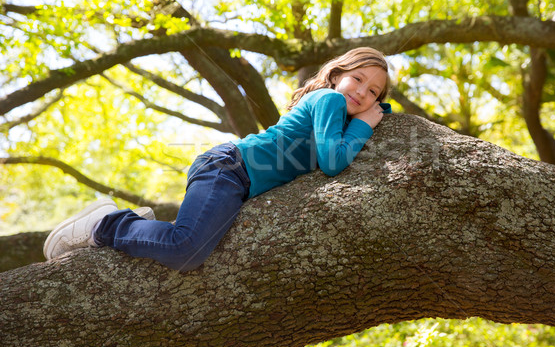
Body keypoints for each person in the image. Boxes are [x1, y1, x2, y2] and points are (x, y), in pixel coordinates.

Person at [43, 47, 392, 272]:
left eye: (373, 91)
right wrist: (363, 124)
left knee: (190, 249)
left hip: (236, 178)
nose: (362, 92)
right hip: (229, 168)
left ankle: (138, 223)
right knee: (187, 250)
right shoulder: (328, 101)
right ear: (336, 75)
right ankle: (107, 224)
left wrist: (374, 117)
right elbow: (333, 163)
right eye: (358, 79)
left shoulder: (332, 116)